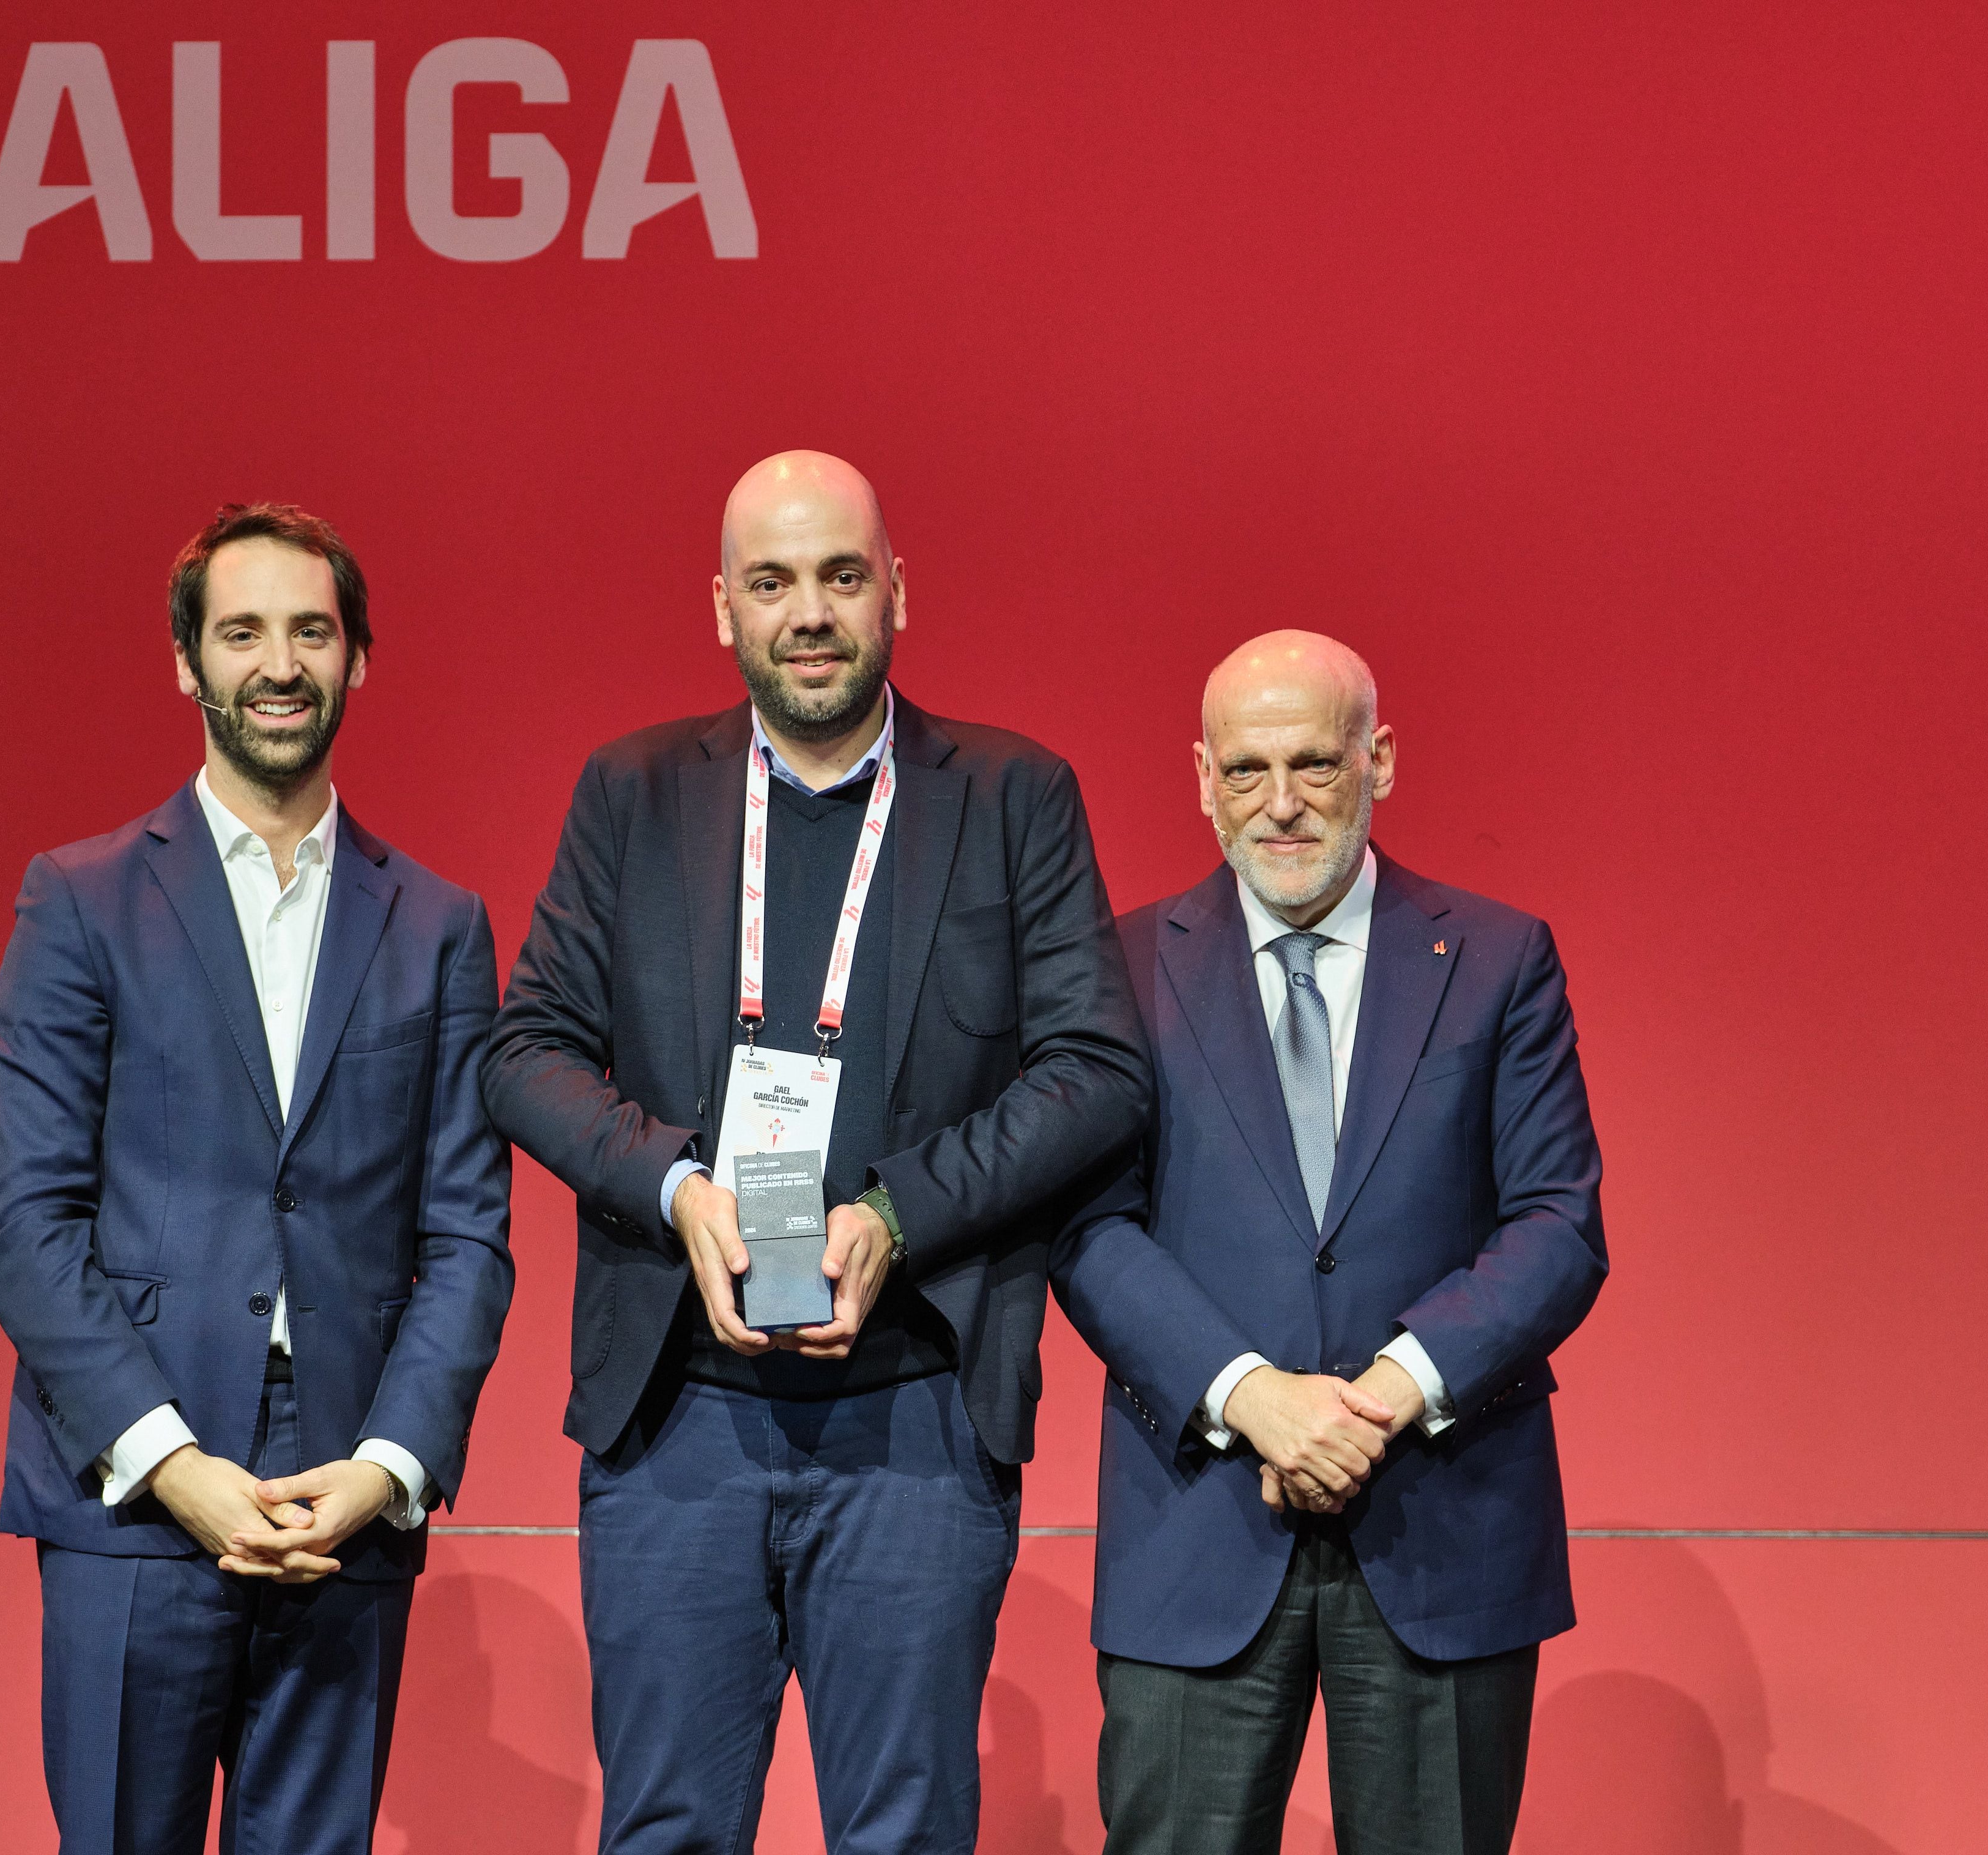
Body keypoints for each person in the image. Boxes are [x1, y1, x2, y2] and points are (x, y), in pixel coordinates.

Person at [483, 450, 1149, 1855]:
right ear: (718, 608)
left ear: (896, 591)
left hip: (914, 1417)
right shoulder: (634, 791)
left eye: (841, 576)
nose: (809, 612)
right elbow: (524, 1049)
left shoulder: (1012, 795)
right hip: (676, 1420)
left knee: (903, 1836)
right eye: (772, 581)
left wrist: (893, 1216)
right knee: (664, 1831)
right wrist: (677, 1190)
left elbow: (1095, 1072)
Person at [0, 503, 513, 1853]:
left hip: (345, 1493)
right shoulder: (81, 897)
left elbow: (465, 1233)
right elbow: (28, 1229)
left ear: (358, 660)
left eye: (311, 631)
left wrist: (389, 1466)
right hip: (134, 1489)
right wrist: (170, 1463)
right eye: (243, 631)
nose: (279, 662)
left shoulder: (438, 925)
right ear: (185, 662)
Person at [1050, 630, 1609, 1855]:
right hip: (1198, 1521)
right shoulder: (1121, 968)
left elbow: (1559, 1222)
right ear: (1200, 777)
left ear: (1380, 759)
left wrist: (1378, 1398)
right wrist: (1255, 1401)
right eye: (1245, 770)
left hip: (1442, 1523)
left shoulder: (1499, 958)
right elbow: (1087, 1230)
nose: (1281, 804)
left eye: (1314, 762)